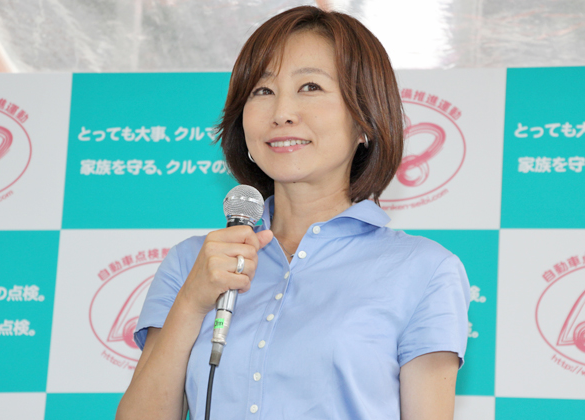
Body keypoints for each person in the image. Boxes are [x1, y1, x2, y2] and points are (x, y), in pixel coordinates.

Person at [117, 6, 470, 420]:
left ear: (365, 121)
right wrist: (192, 301)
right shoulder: (192, 262)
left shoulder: (424, 270)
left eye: (310, 87)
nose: (281, 112)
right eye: (262, 91)